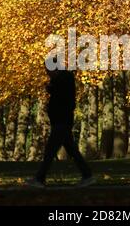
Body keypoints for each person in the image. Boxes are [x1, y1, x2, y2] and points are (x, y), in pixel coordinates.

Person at [26, 60, 95, 188]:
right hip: (61, 121)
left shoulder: (63, 79)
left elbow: (62, 99)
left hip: (62, 121)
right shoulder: (62, 79)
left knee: (50, 151)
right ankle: (87, 175)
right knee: (71, 150)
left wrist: (51, 89)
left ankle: (39, 178)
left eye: (48, 70)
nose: (47, 73)